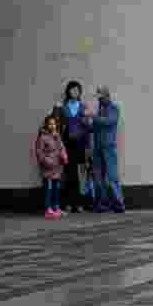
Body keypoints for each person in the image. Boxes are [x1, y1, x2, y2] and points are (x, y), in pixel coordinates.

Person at [59, 80, 93, 213]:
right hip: (67, 142)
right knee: (68, 172)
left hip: (80, 143)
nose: (75, 92)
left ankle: (79, 203)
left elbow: (88, 126)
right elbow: (60, 125)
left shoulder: (83, 107)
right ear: (68, 92)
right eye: (72, 90)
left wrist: (88, 145)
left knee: (80, 174)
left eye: (77, 90)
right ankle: (68, 202)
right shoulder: (63, 107)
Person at [90, 86, 125, 213]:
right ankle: (101, 204)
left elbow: (109, 121)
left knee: (112, 176)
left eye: (101, 97)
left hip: (109, 147)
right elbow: (94, 127)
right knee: (98, 177)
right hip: (98, 147)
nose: (99, 100)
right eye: (98, 98)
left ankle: (119, 203)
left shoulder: (114, 108)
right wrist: (85, 122)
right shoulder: (99, 110)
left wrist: (93, 117)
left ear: (106, 96)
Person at [34, 114, 68, 219]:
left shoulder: (57, 136)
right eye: (50, 124)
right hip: (48, 167)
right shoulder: (42, 137)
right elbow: (39, 153)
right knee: (48, 188)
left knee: (56, 188)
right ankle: (48, 209)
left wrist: (64, 156)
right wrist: (47, 162)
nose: (52, 126)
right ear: (46, 125)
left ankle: (56, 207)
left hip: (57, 167)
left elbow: (61, 147)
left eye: (54, 124)